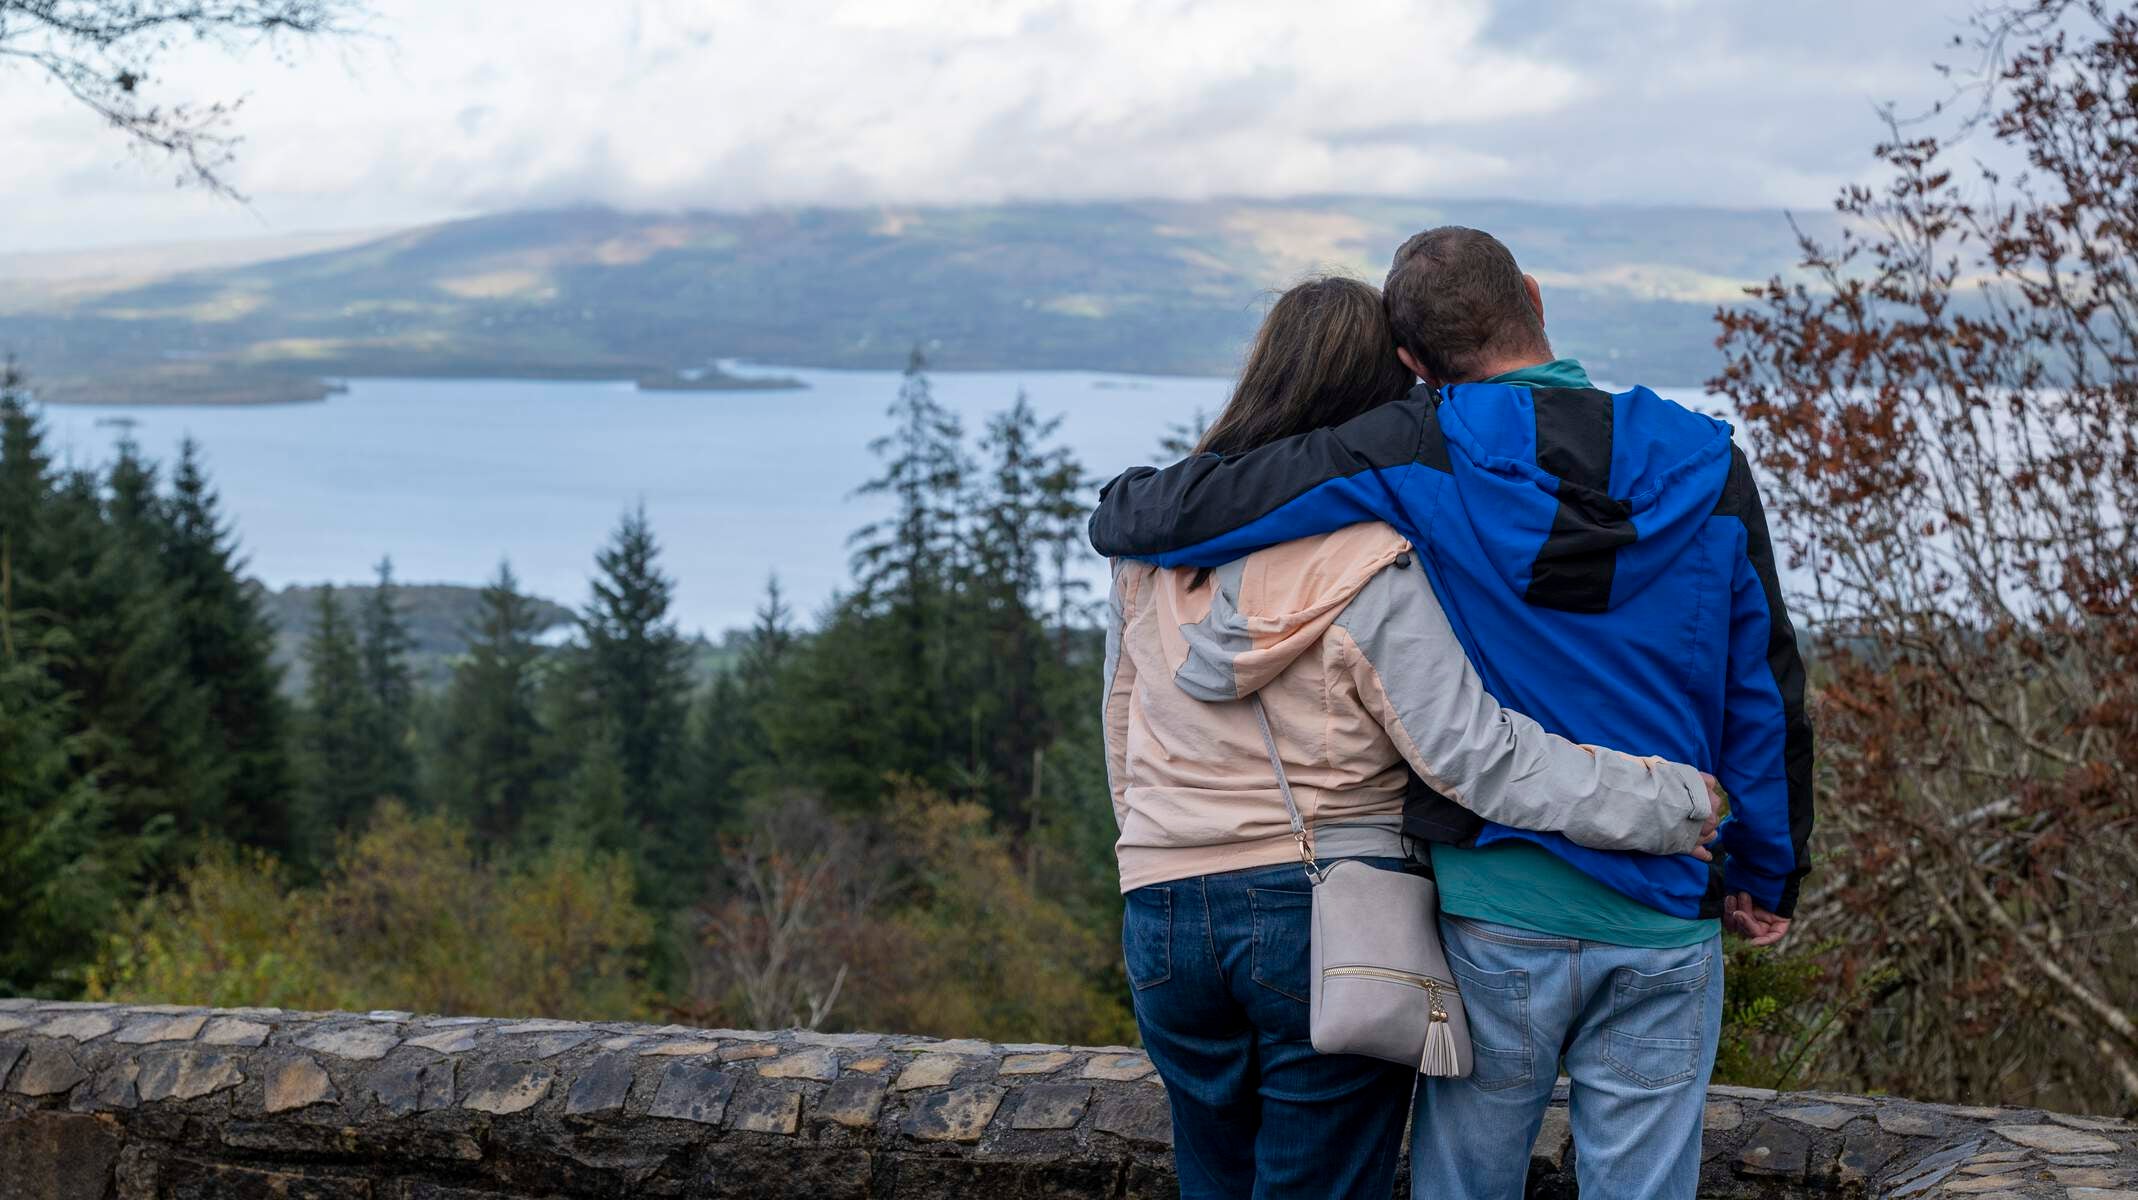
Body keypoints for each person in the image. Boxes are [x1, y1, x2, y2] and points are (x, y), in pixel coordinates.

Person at [1091, 230, 1812, 1200]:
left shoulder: (1418, 447)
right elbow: (1761, 681)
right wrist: (1764, 867)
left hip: (1489, 905)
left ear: (1413, 365)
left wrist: (1124, 508)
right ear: (1532, 294)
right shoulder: (1708, 463)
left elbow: (1196, 513)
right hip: (1662, 899)